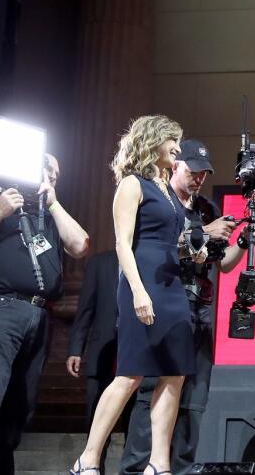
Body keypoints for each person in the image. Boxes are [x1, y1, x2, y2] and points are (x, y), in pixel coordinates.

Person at [119, 138, 255, 474]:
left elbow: (222, 265)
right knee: (149, 386)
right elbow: (158, 246)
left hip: (200, 308)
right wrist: (205, 231)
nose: (198, 178)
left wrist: (241, 241)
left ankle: (176, 467)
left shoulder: (206, 207)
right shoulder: (158, 202)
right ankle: (136, 468)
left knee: (194, 397)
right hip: (165, 300)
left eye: (204, 173)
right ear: (174, 166)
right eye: (192, 171)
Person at [71, 116, 194, 475]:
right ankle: (89, 458)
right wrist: (138, 291)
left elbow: (172, 243)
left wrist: (196, 253)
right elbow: (122, 244)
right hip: (143, 286)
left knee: (175, 374)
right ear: (152, 141)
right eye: (172, 141)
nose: (178, 148)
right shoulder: (131, 184)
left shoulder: (170, 190)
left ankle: (159, 463)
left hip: (173, 288)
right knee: (130, 374)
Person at [0, 153, 90, 475]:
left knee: (22, 403)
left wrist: (54, 205)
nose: (53, 177)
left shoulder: (50, 212)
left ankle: (2, 466)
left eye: (57, 174)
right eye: (48, 171)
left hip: (40, 315)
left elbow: (81, 246)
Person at [66, 249, 122, 470]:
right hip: (102, 352)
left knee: (135, 420)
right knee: (97, 418)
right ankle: (93, 467)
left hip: (135, 353)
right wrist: (75, 349)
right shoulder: (99, 263)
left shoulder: (145, 260)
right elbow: (85, 308)